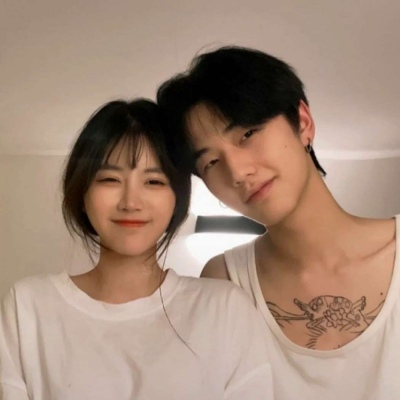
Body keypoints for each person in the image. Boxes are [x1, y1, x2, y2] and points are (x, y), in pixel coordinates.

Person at [157, 46, 400, 399]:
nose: (237, 172)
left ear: (303, 123)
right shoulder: (225, 279)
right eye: (210, 163)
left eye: (247, 134)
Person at [0, 99, 274, 400]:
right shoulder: (28, 307)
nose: (131, 202)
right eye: (110, 179)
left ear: (177, 199)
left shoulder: (225, 308)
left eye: (153, 181)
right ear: (82, 194)